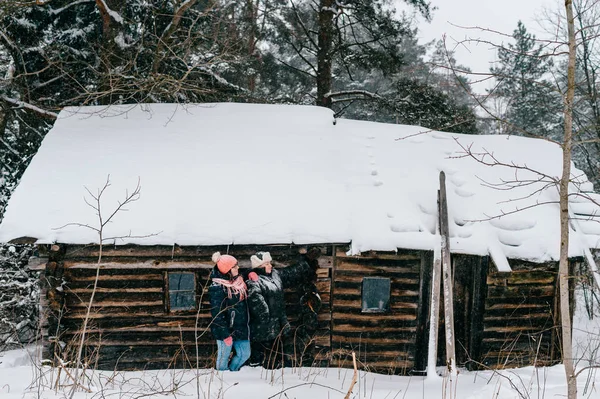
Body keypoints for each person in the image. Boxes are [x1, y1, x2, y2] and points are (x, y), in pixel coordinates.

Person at [245, 249, 321, 368]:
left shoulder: (275, 275)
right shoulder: (254, 282)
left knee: (278, 355)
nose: (270, 265)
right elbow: (257, 307)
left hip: (278, 325)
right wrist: (267, 323)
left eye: (270, 263)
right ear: (259, 267)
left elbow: (291, 273)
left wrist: (307, 261)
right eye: (267, 264)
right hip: (264, 329)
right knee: (263, 357)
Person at [209, 252, 251, 371]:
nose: (238, 268)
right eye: (234, 266)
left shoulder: (238, 282)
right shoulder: (217, 287)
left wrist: (251, 273)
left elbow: (247, 272)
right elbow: (217, 314)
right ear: (227, 270)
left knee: (244, 354)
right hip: (225, 329)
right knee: (223, 358)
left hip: (240, 327)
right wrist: (224, 334)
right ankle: (222, 381)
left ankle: (233, 374)